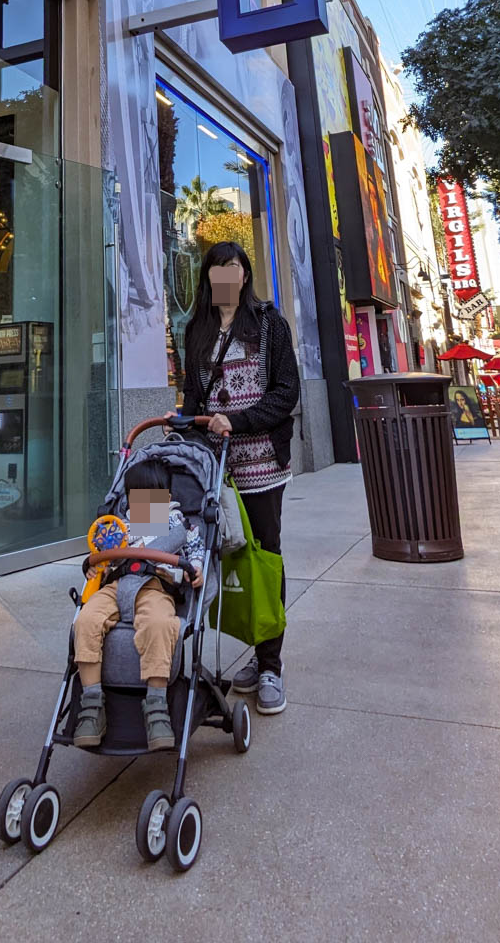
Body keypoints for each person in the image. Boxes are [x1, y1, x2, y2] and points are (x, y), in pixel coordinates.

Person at [182, 241, 300, 716]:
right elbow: (193, 396)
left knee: (263, 559)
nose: (226, 277)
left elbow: (286, 392)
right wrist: (184, 427)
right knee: (220, 562)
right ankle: (246, 646)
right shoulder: (196, 329)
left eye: (234, 268)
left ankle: (270, 663)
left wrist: (239, 420)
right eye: (217, 269)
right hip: (215, 470)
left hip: (262, 467)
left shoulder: (269, 324)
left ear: (245, 275)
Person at [73, 460, 205, 752]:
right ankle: (92, 703)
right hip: (118, 584)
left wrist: (195, 567)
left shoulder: (178, 523)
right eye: (137, 496)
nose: (144, 503)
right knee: (86, 620)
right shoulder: (120, 525)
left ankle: (156, 705)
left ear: (167, 496)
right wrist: (95, 566)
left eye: (152, 496)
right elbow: (102, 556)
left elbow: (196, 550)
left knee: (159, 625)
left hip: (155, 585)